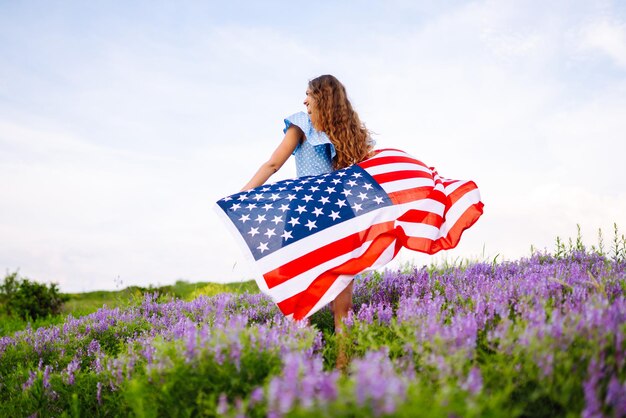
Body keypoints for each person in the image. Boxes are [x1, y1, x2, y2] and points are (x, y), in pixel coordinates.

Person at [240, 75, 373, 345]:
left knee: (301, 302)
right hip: (341, 218)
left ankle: (303, 368)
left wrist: (242, 196)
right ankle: (343, 369)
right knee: (343, 307)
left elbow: (272, 165)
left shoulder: (301, 124)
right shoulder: (353, 134)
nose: (304, 101)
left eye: (309, 95)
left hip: (304, 216)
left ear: (320, 98)